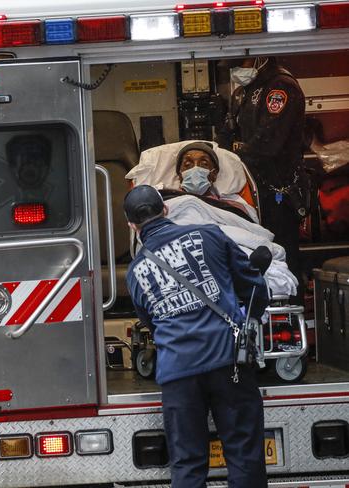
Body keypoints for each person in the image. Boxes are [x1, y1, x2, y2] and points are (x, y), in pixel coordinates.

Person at [125, 185, 269, 488]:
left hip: (178, 374)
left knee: (187, 465)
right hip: (227, 362)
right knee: (244, 455)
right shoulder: (210, 234)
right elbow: (252, 285)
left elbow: (150, 322)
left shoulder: (136, 271)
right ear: (165, 210)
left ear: (132, 225)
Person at [216, 57, 306, 283]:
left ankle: (289, 307)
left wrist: (234, 158)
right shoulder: (244, 91)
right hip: (251, 189)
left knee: (283, 253)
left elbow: (268, 142)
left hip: (278, 189)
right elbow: (229, 133)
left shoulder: (280, 86)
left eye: (240, 64)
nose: (236, 70)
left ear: (256, 58)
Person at [174, 141, 257, 221]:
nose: (195, 169)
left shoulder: (232, 209)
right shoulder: (166, 204)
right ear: (180, 175)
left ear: (214, 175)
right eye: (188, 165)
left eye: (204, 164)